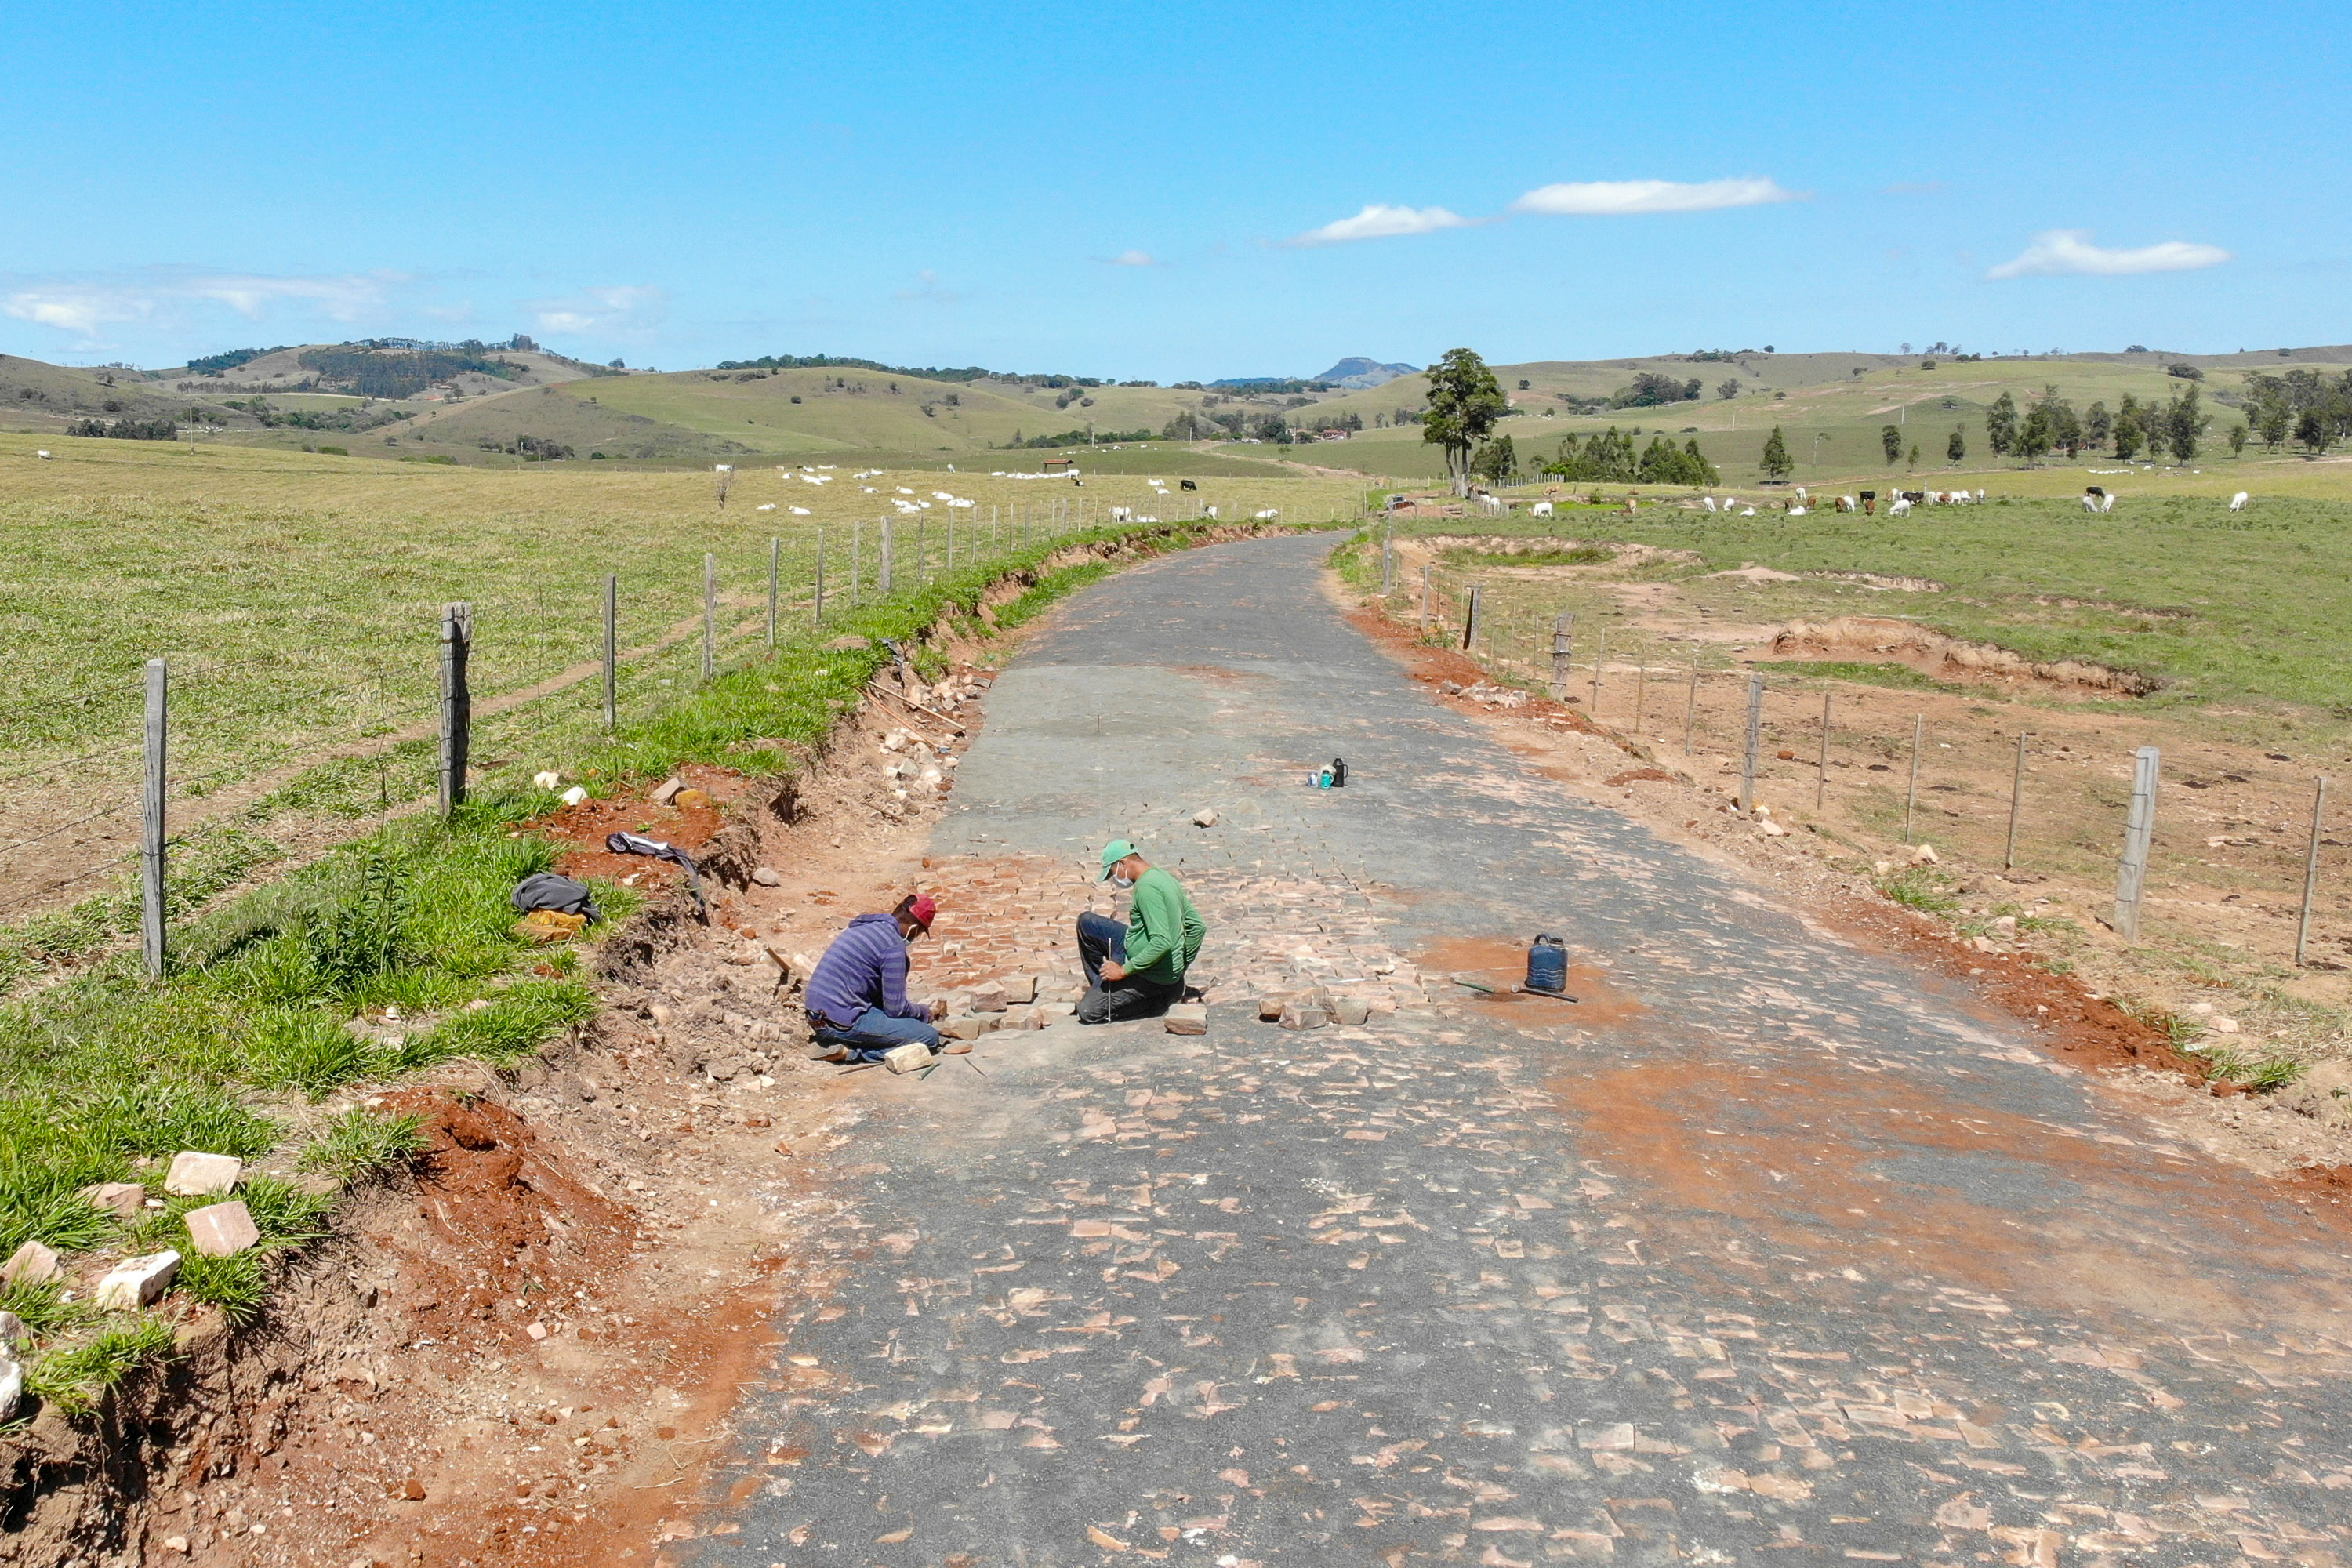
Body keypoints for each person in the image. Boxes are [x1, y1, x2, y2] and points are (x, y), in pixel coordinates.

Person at [804, 894, 948, 1062]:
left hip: (816, 1014)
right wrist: (924, 1013)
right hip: (839, 1022)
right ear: (914, 928)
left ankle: (836, 1041)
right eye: (920, 933)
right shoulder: (893, 946)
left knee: (900, 1024)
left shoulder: (867, 925)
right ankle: (849, 1053)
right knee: (928, 1037)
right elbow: (896, 1010)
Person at [1076, 840, 1205, 1025]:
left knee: (1088, 1012)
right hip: (1133, 945)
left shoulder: (1146, 889)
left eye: (1113, 873)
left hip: (1151, 976)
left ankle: (1159, 999)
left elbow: (1162, 942)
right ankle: (1103, 985)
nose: (1114, 878)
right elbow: (1198, 926)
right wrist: (1181, 965)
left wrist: (1124, 971)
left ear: (1123, 863)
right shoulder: (1162, 877)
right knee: (1087, 922)